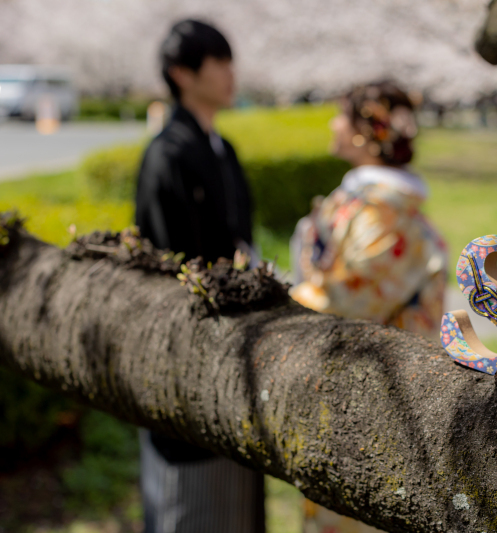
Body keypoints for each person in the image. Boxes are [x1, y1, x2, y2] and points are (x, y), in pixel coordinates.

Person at [290, 82, 447, 532]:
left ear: (364, 131)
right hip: (357, 382)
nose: (332, 123)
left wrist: (276, 304)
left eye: (341, 115)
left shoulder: (385, 213)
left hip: (379, 394)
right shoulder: (374, 202)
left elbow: (348, 298)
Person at [135, 20, 263, 533]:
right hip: (189, 355)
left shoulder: (221, 149)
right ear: (181, 74)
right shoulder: (166, 155)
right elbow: (170, 268)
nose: (231, 73)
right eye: (219, 62)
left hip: (239, 345)